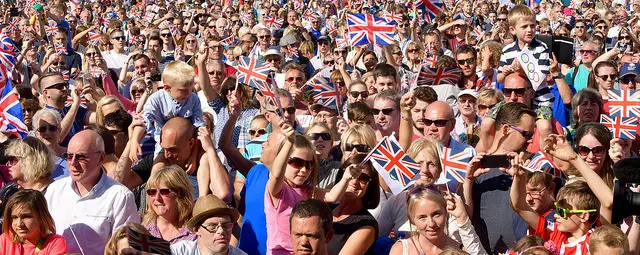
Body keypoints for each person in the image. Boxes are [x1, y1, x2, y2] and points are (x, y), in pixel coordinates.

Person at [264, 123, 359, 255]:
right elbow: (276, 174)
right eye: (297, 162)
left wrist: (346, 178)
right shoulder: (279, 190)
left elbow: (332, 196)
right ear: (285, 160)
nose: (304, 170)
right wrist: (289, 143)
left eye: (309, 164)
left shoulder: (307, 190)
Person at [45, 130, 140, 254]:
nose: (73, 163)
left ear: (100, 158)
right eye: (69, 156)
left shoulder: (120, 196)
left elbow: (128, 248)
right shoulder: (54, 190)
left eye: (81, 157)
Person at [465, 102, 536, 253]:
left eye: (532, 135)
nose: (530, 140)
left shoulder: (533, 165)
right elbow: (464, 215)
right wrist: (468, 180)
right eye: (526, 134)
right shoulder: (475, 166)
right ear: (506, 129)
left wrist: (526, 177)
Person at [129, 61, 206, 161]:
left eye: (190, 88)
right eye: (183, 90)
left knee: (205, 160)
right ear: (167, 88)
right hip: (164, 146)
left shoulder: (193, 99)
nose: (188, 93)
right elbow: (143, 120)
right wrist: (134, 140)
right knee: (158, 167)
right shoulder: (156, 99)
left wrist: (194, 155)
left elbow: (199, 126)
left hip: (188, 145)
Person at [389, 184, 482, 255]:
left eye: (436, 214)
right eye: (422, 217)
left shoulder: (459, 249)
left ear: (446, 213)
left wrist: (462, 217)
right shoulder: (401, 250)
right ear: (412, 220)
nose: (431, 224)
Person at [328, 154, 379, 255]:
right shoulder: (324, 210)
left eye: (363, 178)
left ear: (370, 186)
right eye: (352, 173)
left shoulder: (366, 226)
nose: (354, 181)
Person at [171, 194, 247, 255]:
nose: (221, 231)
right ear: (197, 230)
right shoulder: (180, 251)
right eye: (212, 226)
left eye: (226, 225)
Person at [0, 189, 68, 254]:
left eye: (26, 216)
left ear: (41, 216)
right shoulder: (5, 239)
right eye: (14, 217)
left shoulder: (54, 242)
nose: (19, 224)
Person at [1, 136, 55, 216]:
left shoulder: (54, 193)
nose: (8, 164)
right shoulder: (11, 191)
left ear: (29, 160)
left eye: (12, 159)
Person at [141, 165, 197, 244]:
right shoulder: (144, 231)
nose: (157, 198)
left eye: (164, 191)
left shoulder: (196, 231)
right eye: (152, 192)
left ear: (180, 194)